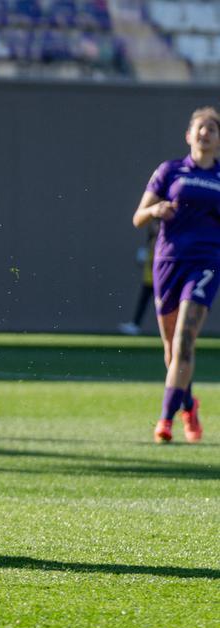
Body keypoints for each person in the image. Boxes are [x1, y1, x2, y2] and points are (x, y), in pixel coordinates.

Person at [132, 106, 220, 444]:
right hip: (168, 262)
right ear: (189, 135)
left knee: (185, 340)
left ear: (218, 138)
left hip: (206, 264)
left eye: (213, 128)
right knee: (172, 351)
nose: (206, 132)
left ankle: (166, 420)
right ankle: (189, 404)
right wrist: (155, 210)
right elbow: (138, 217)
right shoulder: (170, 171)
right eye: (200, 127)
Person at [118, 220, 159, 336]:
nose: (155, 227)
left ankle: (172, 327)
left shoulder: (164, 240)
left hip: (161, 279)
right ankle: (135, 325)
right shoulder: (151, 240)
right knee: (143, 302)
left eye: (157, 224)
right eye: (154, 224)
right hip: (149, 278)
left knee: (165, 304)